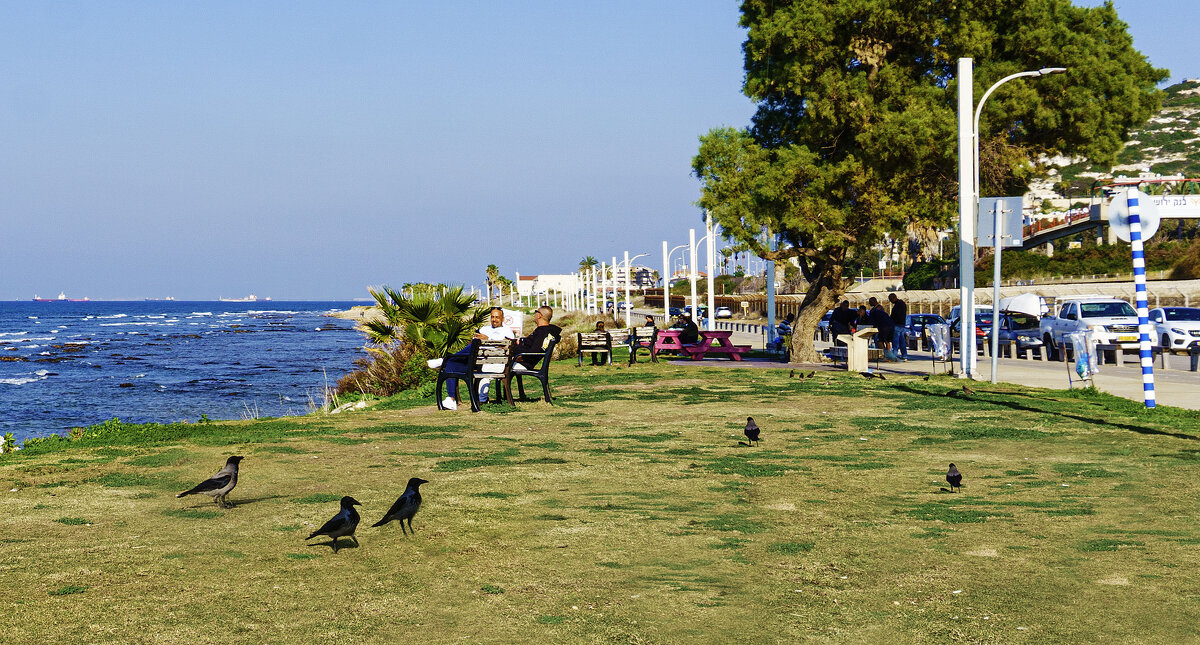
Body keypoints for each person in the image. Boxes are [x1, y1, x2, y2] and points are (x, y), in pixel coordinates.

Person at [434, 307, 515, 410]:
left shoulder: (507, 331)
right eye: (492, 317)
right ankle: (451, 399)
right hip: (474, 360)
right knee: (451, 364)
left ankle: (445, 359)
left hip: (492, 361)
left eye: (497, 317)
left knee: (452, 358)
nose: (494, 319)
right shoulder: (484, 329)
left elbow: (507, 347)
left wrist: (488, 340)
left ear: (503, 318)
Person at [888, 293, 909, 361]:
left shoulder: (898, 305)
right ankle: (904, 355)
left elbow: (895, 315)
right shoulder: (902, 304)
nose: (891, 301)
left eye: (891, 299)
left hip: (897, 324)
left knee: (896, 341)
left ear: (894, 298)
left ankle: (894, 355)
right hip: (902, 324)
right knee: (902, 340)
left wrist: (891, 321)